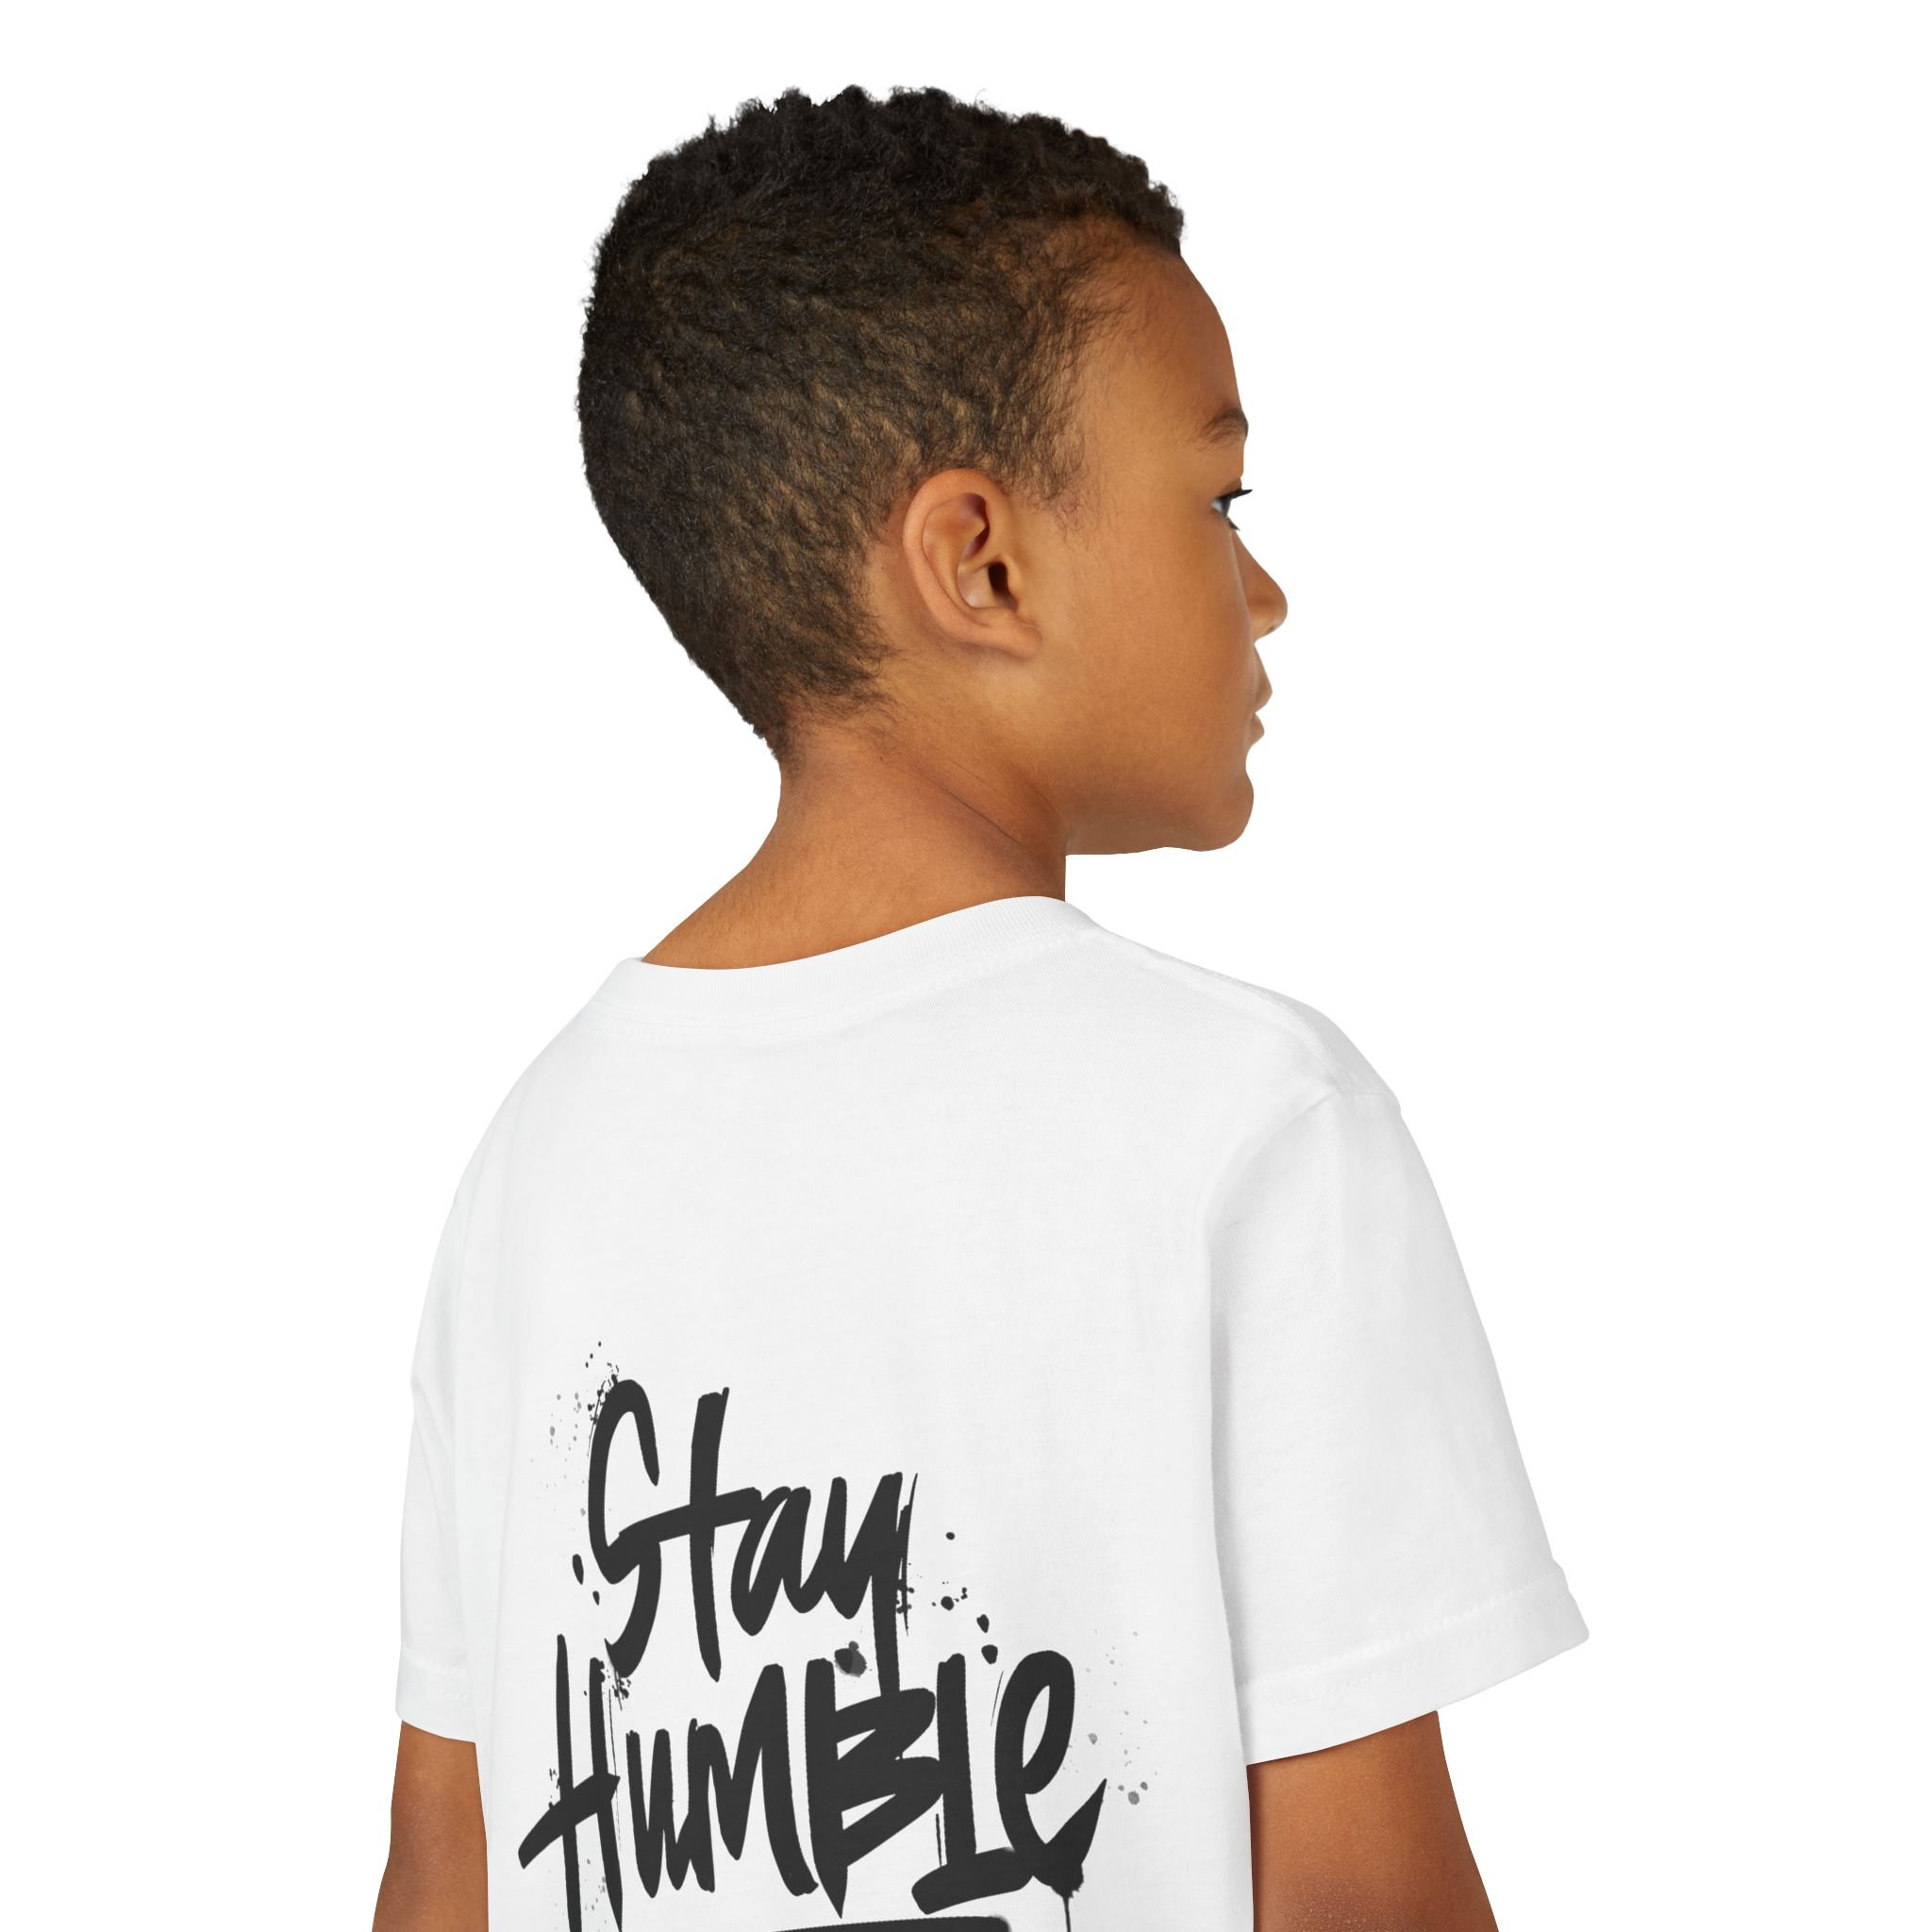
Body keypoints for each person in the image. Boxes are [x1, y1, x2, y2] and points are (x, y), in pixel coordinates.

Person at [374, 83, 1586, 1932]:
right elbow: (1362, 1891)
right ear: (983, 563)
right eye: (1219, 497)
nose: (1264, 590)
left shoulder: (538, 1158)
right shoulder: (1250, 1122)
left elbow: (442, 1869)